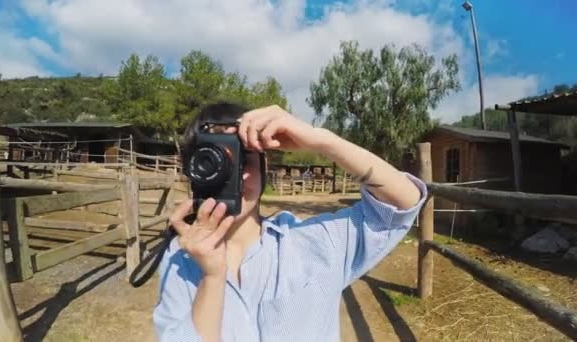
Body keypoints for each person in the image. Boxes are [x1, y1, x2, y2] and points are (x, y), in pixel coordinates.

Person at [153, 102, 427, 342]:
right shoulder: (178, 259)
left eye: (243, 161)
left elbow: (403, 202)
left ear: (263, 166)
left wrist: (321, 141)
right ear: (191, 172)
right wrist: (212, 279)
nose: (233, 177)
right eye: (210, 161)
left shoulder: (313, 243)